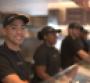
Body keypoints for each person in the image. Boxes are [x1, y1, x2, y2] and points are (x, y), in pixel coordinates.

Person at [0, 14, 31, 83]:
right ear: (4, 31)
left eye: (22, 28)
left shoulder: (19, 52)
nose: (19, 32)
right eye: (14, 28)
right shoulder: (1, 55)